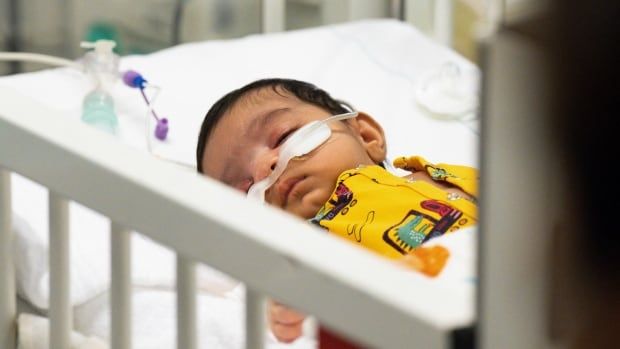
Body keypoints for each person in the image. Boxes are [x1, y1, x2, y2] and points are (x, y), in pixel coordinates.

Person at [195, 78, 478, 344]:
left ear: (366, 136)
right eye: (245, 189)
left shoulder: (441, 175)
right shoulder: (309, 244)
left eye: (284, 135)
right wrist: (291, 306)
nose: (264, 168)